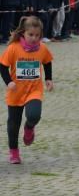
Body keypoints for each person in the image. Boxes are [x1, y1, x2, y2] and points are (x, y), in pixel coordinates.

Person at [0, 17, 53, 164]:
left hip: (34, 90)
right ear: (23, 33)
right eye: (31, 35)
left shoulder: (42, 48)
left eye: (37, 35)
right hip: (16, 91)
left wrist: (48, 79)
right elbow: (2, 66)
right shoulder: (13, 48)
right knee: (13, 124)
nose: (34, 38)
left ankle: (29, 127)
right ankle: (14, 152)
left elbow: (47, 62)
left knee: (34, 114)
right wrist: (9, 82)